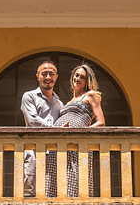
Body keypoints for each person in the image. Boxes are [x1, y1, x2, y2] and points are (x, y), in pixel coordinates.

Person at [54, 63, 105, 198]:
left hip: (77, 143)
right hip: (60, 145)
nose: (77, 79)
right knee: (58, 179)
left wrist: (81, 132)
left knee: (75, 177)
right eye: (76, 75)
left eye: (82, 77)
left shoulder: (90, 95)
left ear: (87, 80)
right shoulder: (69, 101)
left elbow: (101, 122)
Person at [20, 60, 63, 197]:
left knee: (52, 191)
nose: (48, 77)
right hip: (33, 150)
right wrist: (54, 128)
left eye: (51, 74)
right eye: (44, 74)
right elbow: (32, 120)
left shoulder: (59, 103)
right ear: (37, 76)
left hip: (54, 153)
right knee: (30, 191)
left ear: (56, 77)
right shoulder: (29, 96)